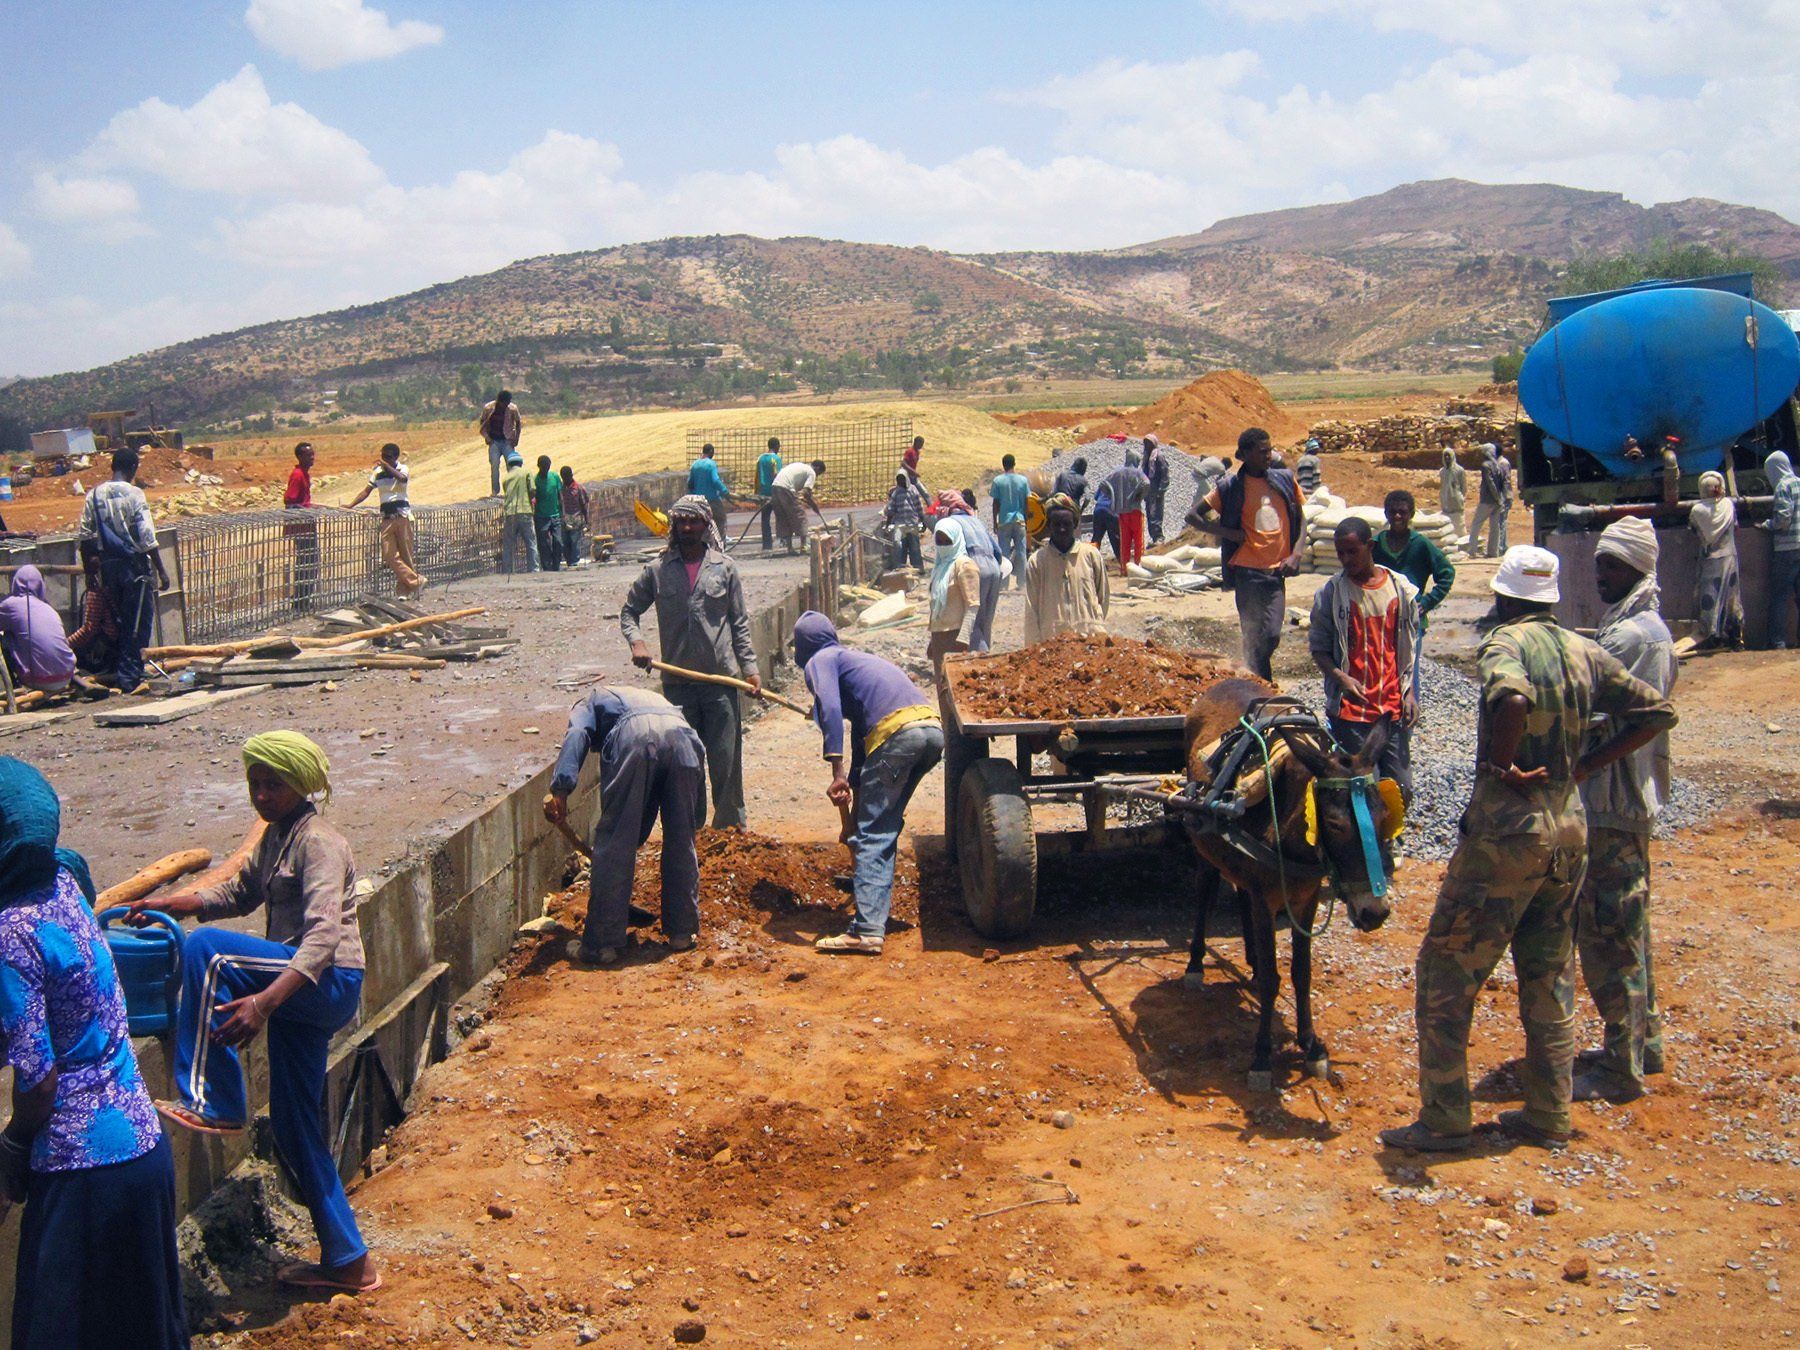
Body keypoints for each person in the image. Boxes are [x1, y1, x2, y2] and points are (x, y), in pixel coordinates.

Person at [1380, 547, 1677, 1154]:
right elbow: (1657, 711)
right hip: (1570, 830)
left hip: (1507, 836)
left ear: (1507, 597)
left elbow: (1510, 698)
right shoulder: (1583, 648)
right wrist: (1581, 767)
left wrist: (1503, 763)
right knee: (1549, 971)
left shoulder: (1505, 644)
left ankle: (1444, 1119)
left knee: (1446, 971)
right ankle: (1548, 1114)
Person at [128, 732, 378, 1293]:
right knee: (294, 1126)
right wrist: (175, 900)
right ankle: (349, 1259)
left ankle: (213, 1100)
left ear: (301, 784)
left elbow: (322, 939)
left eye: (274, 784)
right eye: (255, 784)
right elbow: (239, 894)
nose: (262, 794)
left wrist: (264, 1003)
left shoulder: (320, 842)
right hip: (298, 991)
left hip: (326, 980)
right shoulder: (277, 837)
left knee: (206, 950)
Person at [0, 757, 187, 1348]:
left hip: (81, 1173)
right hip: (144, 1150)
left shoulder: (9, 933)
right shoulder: (65, 876)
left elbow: (39, 1081)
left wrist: (11, 1145)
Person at [1573, 517, 1676, 1106]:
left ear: (1636, 569)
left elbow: (1634, 718)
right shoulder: (1635, 629)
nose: (1601, 575)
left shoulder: (1636, 638)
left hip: (1613, 802)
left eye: (1611, 566)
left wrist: (1583, 766)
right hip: (1621, 798)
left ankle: (1620, 1066)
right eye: (1600, 564)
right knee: (1628, 927)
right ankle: (1644, 1041)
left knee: (1609, 932)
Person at [792, 613, 943, 956]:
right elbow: (865, 742)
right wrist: (854, 802)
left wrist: (836, 771)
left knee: (874, 830)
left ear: (803, 646)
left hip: (897, 738)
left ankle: (866, 930)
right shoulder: (856, 660)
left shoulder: (821, 660)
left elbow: (829, 708)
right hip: (929, 732)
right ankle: (870, 892)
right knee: (879, 824)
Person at [622, 496, 760, 829]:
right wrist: (638, 643)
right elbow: (629, 612)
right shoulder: (657, 571)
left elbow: (739, 624)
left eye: (693, 521)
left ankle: (730, 830)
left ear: (705, 525)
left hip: (720, 684)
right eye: (681, 522)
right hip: (678, 689)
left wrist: (751, 670)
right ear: (674, 526)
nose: (687, 528)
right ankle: (690, 832)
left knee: (726, 762)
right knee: (686, 763)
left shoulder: (724, 568)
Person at [545, 686, 705, 966]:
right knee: (682, 840)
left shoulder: (587, 701)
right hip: (684, 737)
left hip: (636, 735)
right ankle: (682, 932)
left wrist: (561, 789)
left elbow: (577, 734)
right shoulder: (643, 696)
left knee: (615, 841)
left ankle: (601, 945)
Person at [1309, 518, 1420, 803]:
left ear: (1369, 546)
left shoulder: (1399, 590)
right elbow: (1319, 649)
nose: (1345, 560)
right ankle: (1372, 846)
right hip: (1352, 713)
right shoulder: (1332, 594)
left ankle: (1391, 840)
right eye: (1340, 553)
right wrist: (1342, 678)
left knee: (1401, 789)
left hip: (1391, 710)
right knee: (1363, 787)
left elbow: (1409, 650)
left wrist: (1410, 693)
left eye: (1352, 552)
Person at [1187, 427, 1304, 680]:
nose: (1268, 456)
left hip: (1276, 574)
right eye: (1262, 452)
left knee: (1271, 635)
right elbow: (1193, 516)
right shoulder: (1230, 487)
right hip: (1247, 574)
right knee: (1253, 636)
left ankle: (1253, 674)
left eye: (1270, 450)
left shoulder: (1284, 479)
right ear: (1245, 454)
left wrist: (1296, 553)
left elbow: (1300, 517)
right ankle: (1261, 685)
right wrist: (1228, 533)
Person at [76, 448, 169, 692]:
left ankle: (119, 672)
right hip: (134, 567)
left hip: (108, 568)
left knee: (115, 621)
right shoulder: (135, 494)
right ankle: (130, 678)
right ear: (134, 469)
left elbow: (85, 537)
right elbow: (147, 535)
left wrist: (90, 575)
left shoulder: (93, 495)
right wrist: (161, 570)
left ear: (112, 467)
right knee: (137, 622)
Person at [1023, 493, 1109, 644]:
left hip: (1090, 642)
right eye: (1056, 524)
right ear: (1049, 525)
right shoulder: (1037, 562)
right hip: (1052, 644)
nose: (1062, 529)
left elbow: (1103, 598)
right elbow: (1031, 608)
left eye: (1067, 524)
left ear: (1075, 524)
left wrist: (1094, 623)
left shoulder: (1091, 555)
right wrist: (1033, 649)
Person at [346, 443, 425, 599]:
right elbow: (366, 491)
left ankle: (404, 591)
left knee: (405, 554)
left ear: (396, 457)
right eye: (383, 456)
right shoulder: (377, 473)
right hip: (387, 518)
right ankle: (416, 581)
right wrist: (351, 505)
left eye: (388, 457)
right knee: (389, 555)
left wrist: (387, 467)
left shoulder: (403, 469)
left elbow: (402, 479)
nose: (384, 460)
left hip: (402, 516)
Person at [935, 492, 1002, 653]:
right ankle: (987, 659)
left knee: (973, 622)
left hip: (973, 569)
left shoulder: (949, 524)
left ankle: (981, 661)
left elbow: (947, 556)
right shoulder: (976, 521)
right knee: (986, 621)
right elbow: (998, 551)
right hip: (994, 569)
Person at [0, 566, 78, 695]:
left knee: (5, 637)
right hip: (66, 676)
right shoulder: (48, 607)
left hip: (38, 681)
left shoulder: (11, 605)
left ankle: (13, 687)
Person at [1689, 470, 1743, 648]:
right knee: (1732, 598)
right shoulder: (1728, 505)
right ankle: (1736, 639)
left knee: (1709, 599)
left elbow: (1694, 530)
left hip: (1711, 560)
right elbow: (1736, 527)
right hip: (1730, 557)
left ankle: (1711, 638)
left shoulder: (1698, 511)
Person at [926, 520, 982, 671]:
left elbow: (973, 604)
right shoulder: (940, 567)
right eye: (940, 541)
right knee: (942, 685)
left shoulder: (964, 565)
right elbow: (936, 604)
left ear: (956, 540)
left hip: (955, 635)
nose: (944, 545)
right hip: (939, 635)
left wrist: (963, 638)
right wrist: (933, 640)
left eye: (948, 541)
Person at [68, 544, 122, 678]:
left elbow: (89, 629)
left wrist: (65, 644)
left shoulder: (96, 592)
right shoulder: (116, 584)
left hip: (107, 653)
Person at [1765, 450, 1800, 648]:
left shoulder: (1782, 486)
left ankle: (1777, 642)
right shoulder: (1799, 482)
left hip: (1786, 549)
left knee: (1779, 596)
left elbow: (1783, 519)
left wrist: (1768, 524)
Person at [284, 441, 319, 609]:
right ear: (300, 457)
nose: (312, 457)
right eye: (309, 455)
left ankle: (304, 598)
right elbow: (290, 500)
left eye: (313, 454)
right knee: (307, 561)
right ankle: (300, 599)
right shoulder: (298, 475)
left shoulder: (304, 474)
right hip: (301, 525)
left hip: (306, 523)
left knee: (309, 561)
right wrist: (306, 511)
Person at [1104, 450, 1150, 574]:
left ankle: (1124, 569)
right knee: (1138, 540)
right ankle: (1138, 567)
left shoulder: (1117, 473)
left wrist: (1113, 497)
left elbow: (1104, 484)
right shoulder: (1137, 472)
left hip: (1122, 512)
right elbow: (1146, 483)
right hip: (1135, 510)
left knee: (1125, 542)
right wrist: (1138, 495)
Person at [989, 454, 1031, 590]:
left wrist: (994, 521)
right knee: (1021, 551)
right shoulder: (1023, 481)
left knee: (1004, 553)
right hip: (1019, 520)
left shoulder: (998, 481)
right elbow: (1026, 502)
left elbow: (995, 503)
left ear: (1003, 465)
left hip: (1004, 521)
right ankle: (1022, 582)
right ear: (1014, 464)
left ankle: (1004, 584)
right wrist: (1027, 520)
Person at [770, 459, 828, 554]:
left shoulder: (800, 466)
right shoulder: (811, 472)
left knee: (784, 518)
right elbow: (806, 492)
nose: (817, 476)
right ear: (817, 468)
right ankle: (803, 546)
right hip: (786, 489)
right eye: (819, 474)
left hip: (775, 487)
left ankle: (790, 548)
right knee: (800, 516)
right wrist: (814, 506)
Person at [687, 443, 738, 541]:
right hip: (712, 499)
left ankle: (704, 542)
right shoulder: (711, 464)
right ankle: (719, 542)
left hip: (698, 500)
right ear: (711, 451)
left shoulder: (695, 465)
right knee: (720, 519)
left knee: (703, 522)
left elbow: (690, 483)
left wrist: (694, 494)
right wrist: (725, 492)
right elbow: (715, 480)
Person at [1468, 442, 1511, 557]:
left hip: (1488, 500)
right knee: (1495, 527)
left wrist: (1496, 497)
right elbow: (1503, 482)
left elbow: (1490, 482)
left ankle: (1471, 551)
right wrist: (1501, 498)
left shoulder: (1486, 465)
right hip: (1498, 501)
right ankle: (1493, 552)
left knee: (1476, 524)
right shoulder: (1498, 464)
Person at [499, 451, 539, 573]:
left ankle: (508, 570)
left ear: (509, 464)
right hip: (525, 510)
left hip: (510, 512)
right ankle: (533, 569)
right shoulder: (526, 472)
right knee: (530, 542)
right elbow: (532, 489)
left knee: (509, 545)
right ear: (520, 463)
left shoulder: (506, 477)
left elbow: (507, 492)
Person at [883, 470, 927, 570]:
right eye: (899, 480)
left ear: (907, 479)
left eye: (902, 479)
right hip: (900, 523)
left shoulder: (913, 490)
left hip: (912, 522)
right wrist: (888, 525)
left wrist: (922, 520)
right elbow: (891, 510)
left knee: (914, 546)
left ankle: (918, 567)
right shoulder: (896, 493)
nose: (901, 482)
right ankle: (899, 566)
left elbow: (919, 506)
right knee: (898, 544)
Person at [479, 390, 521, 497]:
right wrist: (487, 437)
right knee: (494, 466)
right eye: (504, 403)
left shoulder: (512, 408)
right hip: (494, 442)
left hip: (507, 441)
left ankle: (511, 491)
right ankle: (495, 492)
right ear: (499, 401)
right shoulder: (489, 408)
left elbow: (518, 423)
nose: (506, 405)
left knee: (511, 466)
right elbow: (482, 422)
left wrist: (516, 439)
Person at [532, 455, 564, 572]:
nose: (546, 469)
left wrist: (562, 513)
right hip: (541, 516)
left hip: (555, 515)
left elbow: (560, 496)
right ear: (539, 467)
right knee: (544, 544)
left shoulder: (555, 477)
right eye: (544, 467)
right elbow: (533, 497)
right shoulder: (536, 480)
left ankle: (556, 565)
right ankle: (547, 567)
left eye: (548, 466)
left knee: (558, 541)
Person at [756, 437, 785, 552]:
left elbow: (757, 476)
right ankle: (783, 539)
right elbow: (777, 475)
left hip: (763, 492)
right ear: (777, 446)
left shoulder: (761, 459)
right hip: (774, 492)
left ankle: (767, 544)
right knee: (781, 516)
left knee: (765, 519)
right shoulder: (775, 458)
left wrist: (757, 491)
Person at [1143, 435, 1172, 542]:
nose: (1146, 446)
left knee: (1157, 514)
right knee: (1150, 514)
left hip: (1157, 490)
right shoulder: (1146, 457)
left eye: (1148, 443)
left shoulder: (1158, 456)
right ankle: (1154, 537)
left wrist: (1161, 490)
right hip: (1148, 491)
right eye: (1145, 443)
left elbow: (1165, 474)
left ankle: (1159, 537)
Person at [560, 465, 590, 567]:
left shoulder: (578, 488)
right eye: (563, 477)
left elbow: (584, 505)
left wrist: (587, 522)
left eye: (566, 477)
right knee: (565, 543)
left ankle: (574, 563)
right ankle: (569, 562)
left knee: (574, 542)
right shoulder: (561, 488)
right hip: (565, 521)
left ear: (571, 476)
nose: (565, 479)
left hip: (576, 520)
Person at [1089, 476, 1118, 560]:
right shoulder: (1118, 485)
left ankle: (1091, 559)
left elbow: (1095, 497)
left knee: (1096, 537)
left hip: (1098, 510)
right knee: (1114, 538)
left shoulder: (1104, 483)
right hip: (1111, 511)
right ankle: (1121, 561)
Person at [1438, 447, 1467, 525]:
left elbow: (1463, 486)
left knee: (1458, 524)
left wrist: (1462, 498)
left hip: (1456, 501)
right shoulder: (1442, 471)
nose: (1447, 457)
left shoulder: (1459, 470)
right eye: (1445, 456)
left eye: (1448, 455)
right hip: (1445, 501)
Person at [902, 435, 929, 500]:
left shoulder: (917, 452)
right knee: (907, 495)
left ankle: (931, 508)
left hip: (913, 476)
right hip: (907, 476)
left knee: (924, 493)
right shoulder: (910, 451)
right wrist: (913, 471)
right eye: (921, 444)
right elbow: (903, 464)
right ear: (917, 443)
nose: (922, 446)